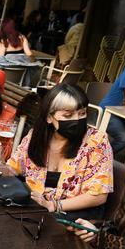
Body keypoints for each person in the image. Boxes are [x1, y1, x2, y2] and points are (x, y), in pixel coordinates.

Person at [10, 83, 113, 219]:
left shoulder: (96, 141)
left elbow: (98, 196)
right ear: (49, 118)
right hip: (37, 211)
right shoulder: (36, 136)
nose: (77, 119)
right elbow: (14, 169)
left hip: (74, 216)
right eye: (68, 115)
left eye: (82, 113)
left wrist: (54, 205)